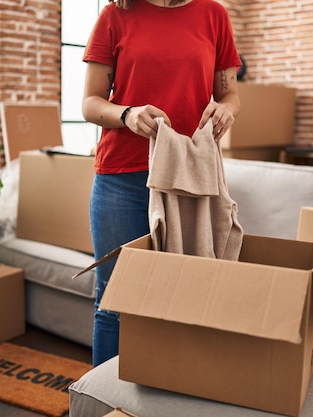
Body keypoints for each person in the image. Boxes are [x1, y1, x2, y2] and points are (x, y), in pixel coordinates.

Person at [82, 0, 241, 366]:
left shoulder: (213, 15)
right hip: (121, 177)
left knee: (186, 297)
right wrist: (127, 113)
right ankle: (106, 405)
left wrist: (227, 109)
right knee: (114, 300)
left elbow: (230, 93)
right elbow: (90, 103)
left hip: (188, 177)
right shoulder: (115, 15)